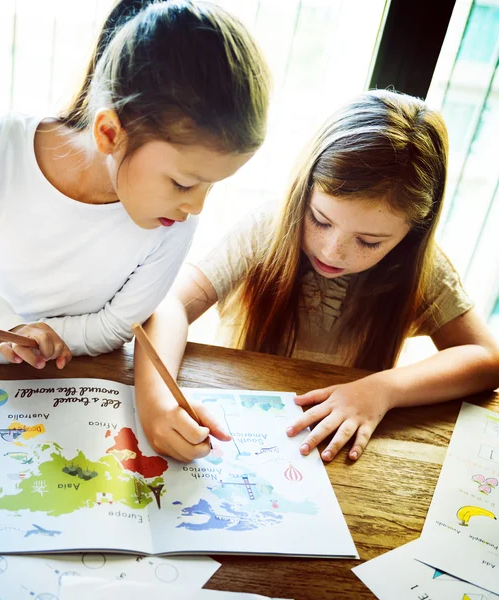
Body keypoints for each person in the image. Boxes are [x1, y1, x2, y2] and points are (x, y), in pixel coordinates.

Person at [133, 89, 499, 463]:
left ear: (411, 235)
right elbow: (170, 302)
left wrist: (381, 390)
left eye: (369, 242)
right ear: (302, 192)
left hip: (335, 458)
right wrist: (158, 400)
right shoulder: (265, 231)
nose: (332, 251)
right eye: (320, 220)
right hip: (240, 442)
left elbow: (487, 357)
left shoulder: (420, 265)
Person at [0, 0, 270, 369]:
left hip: (79, 373)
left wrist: (3, 345)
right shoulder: (8, 143)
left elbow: (115, 326)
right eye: (183, 183)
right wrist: (4, 328)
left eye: (213, 185)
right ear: (110, 133)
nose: (197, 207)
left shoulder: (175, 221)